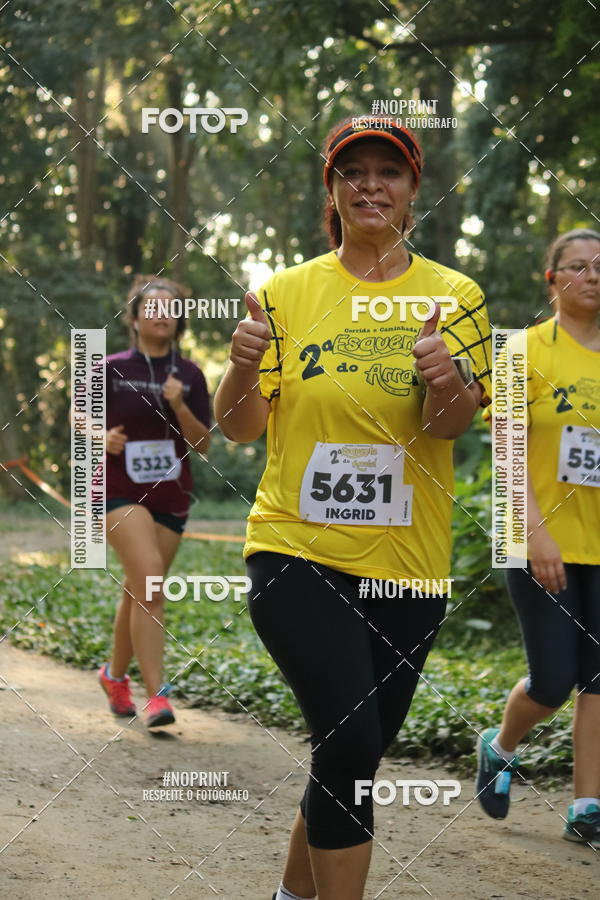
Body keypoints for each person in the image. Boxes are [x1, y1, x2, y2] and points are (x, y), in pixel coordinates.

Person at [215, 116, 492, 900]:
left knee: (351, 757)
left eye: (390, 172)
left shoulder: (456, 295)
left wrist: (446, 380)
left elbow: (452, 427)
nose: (371, 183)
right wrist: (239, 369)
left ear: (413, 192)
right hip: (294, 549)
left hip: (408, 566)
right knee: (349, 737)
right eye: (354, 171)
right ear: (332, 190)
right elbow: (239, 428)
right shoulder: (284, 292)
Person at [476, 228, 600, 846]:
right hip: (535, 537)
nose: (593, 276)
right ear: (551, 281)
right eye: (578, 266)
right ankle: (499, 748)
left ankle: (587, 806)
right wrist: (535, 530)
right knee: (552, 681)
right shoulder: (521, 350)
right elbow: (506, 447)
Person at [98, 276, 210, 728]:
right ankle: (156, 696)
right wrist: (98, 436)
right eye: (152, 307)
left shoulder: (192, 374)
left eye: (170, 308)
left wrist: (180, 406)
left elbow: (203, 445)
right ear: (134, 316)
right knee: (149, 582)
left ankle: (114, 676)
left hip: (171, 492)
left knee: (138, 589)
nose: (162, 314)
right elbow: (77, 416)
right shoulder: (109, 366)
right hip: (117, 488)